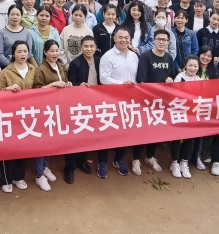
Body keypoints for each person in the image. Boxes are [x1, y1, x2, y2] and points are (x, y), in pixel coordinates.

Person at [0, 41, 37, 192]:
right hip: (10, 116)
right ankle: (5, 179)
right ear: (13, 53)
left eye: (25, 51)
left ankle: (19, 177)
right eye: (19, 51)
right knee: (8, 148)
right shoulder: (5, 72)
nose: (22, 54)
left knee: (23, 148)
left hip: (28, 115)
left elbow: (39, 89)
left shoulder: (33, 69)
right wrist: (7, 89)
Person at [32, 40, 73, 191]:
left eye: (57, 51)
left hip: (57, 109)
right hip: (45, 110)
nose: (55, 54)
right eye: (51, 51)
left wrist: (68, 84)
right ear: (45, 52)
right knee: (41, 143)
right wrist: (52, 85)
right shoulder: (41, 69)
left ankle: (44, 167)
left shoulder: (60, 66)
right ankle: (38, 175)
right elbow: (35, 90)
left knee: (50, 141)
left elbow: (65, 81)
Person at [97, 27, 138, 178]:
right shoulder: (107, 56)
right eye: (120, 37)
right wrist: (121, 84)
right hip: (111, 100)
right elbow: (104, 79)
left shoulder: (134, 56)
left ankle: (119, 159)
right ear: (114, 38)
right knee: (107, 132)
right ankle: (102, 162)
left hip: (129, 101)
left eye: (126, 37)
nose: (124, 40)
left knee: (124, 132)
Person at [134, 29, 175, 175]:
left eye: (164, 40)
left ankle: (150, 157)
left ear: (168, 42)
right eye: (159, 39)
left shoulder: (169, 58)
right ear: (154, 40)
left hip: (161, 102)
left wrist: (170, 80)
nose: (161, 42)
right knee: (142, 131)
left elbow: (172, 77)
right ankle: (136, 159)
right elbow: (141, 79)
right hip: (146, 101)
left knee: (155, 131)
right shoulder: (145, 57)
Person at [64, 36, 99, 183]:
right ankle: (70, 167)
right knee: (77, 135)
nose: (89, 49)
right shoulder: (75, 63)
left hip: (97, 103)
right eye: (86, 46)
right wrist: (80, 86)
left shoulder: (99, 60)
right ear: (81, 47)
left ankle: (82, 161)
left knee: (88, 134)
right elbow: (71, 84)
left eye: (91, 46)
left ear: (96, 47)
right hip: (80, 105)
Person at [170, 57, 204, 178]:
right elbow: (174, 96)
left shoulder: (200, 80)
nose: (193, 68)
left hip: (193, 114)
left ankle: (184, 162)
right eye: (190, 65)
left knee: (189, 139)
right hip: (179, 113)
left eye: (195, 66)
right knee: (177, 139)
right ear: (185, 65)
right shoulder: (179, 78)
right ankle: (174, 162)